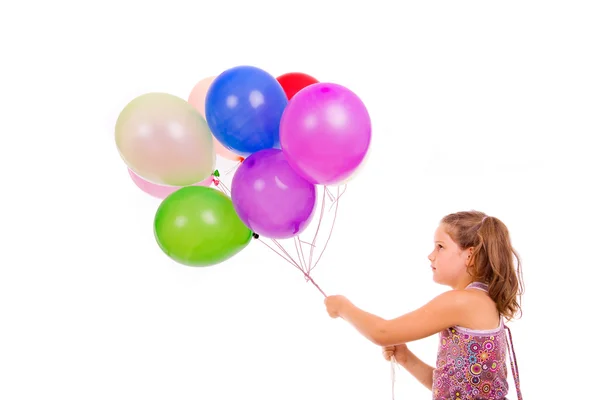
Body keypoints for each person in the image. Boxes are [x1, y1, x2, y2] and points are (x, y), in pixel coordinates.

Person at [324, 211, 524, 399]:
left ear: (469, 256)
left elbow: (382, 332)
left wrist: (342, 307)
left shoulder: (461, 301)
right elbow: (452, 389)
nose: (431, 255)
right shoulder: (482, 299)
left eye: (440, 246)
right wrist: (405, 358)